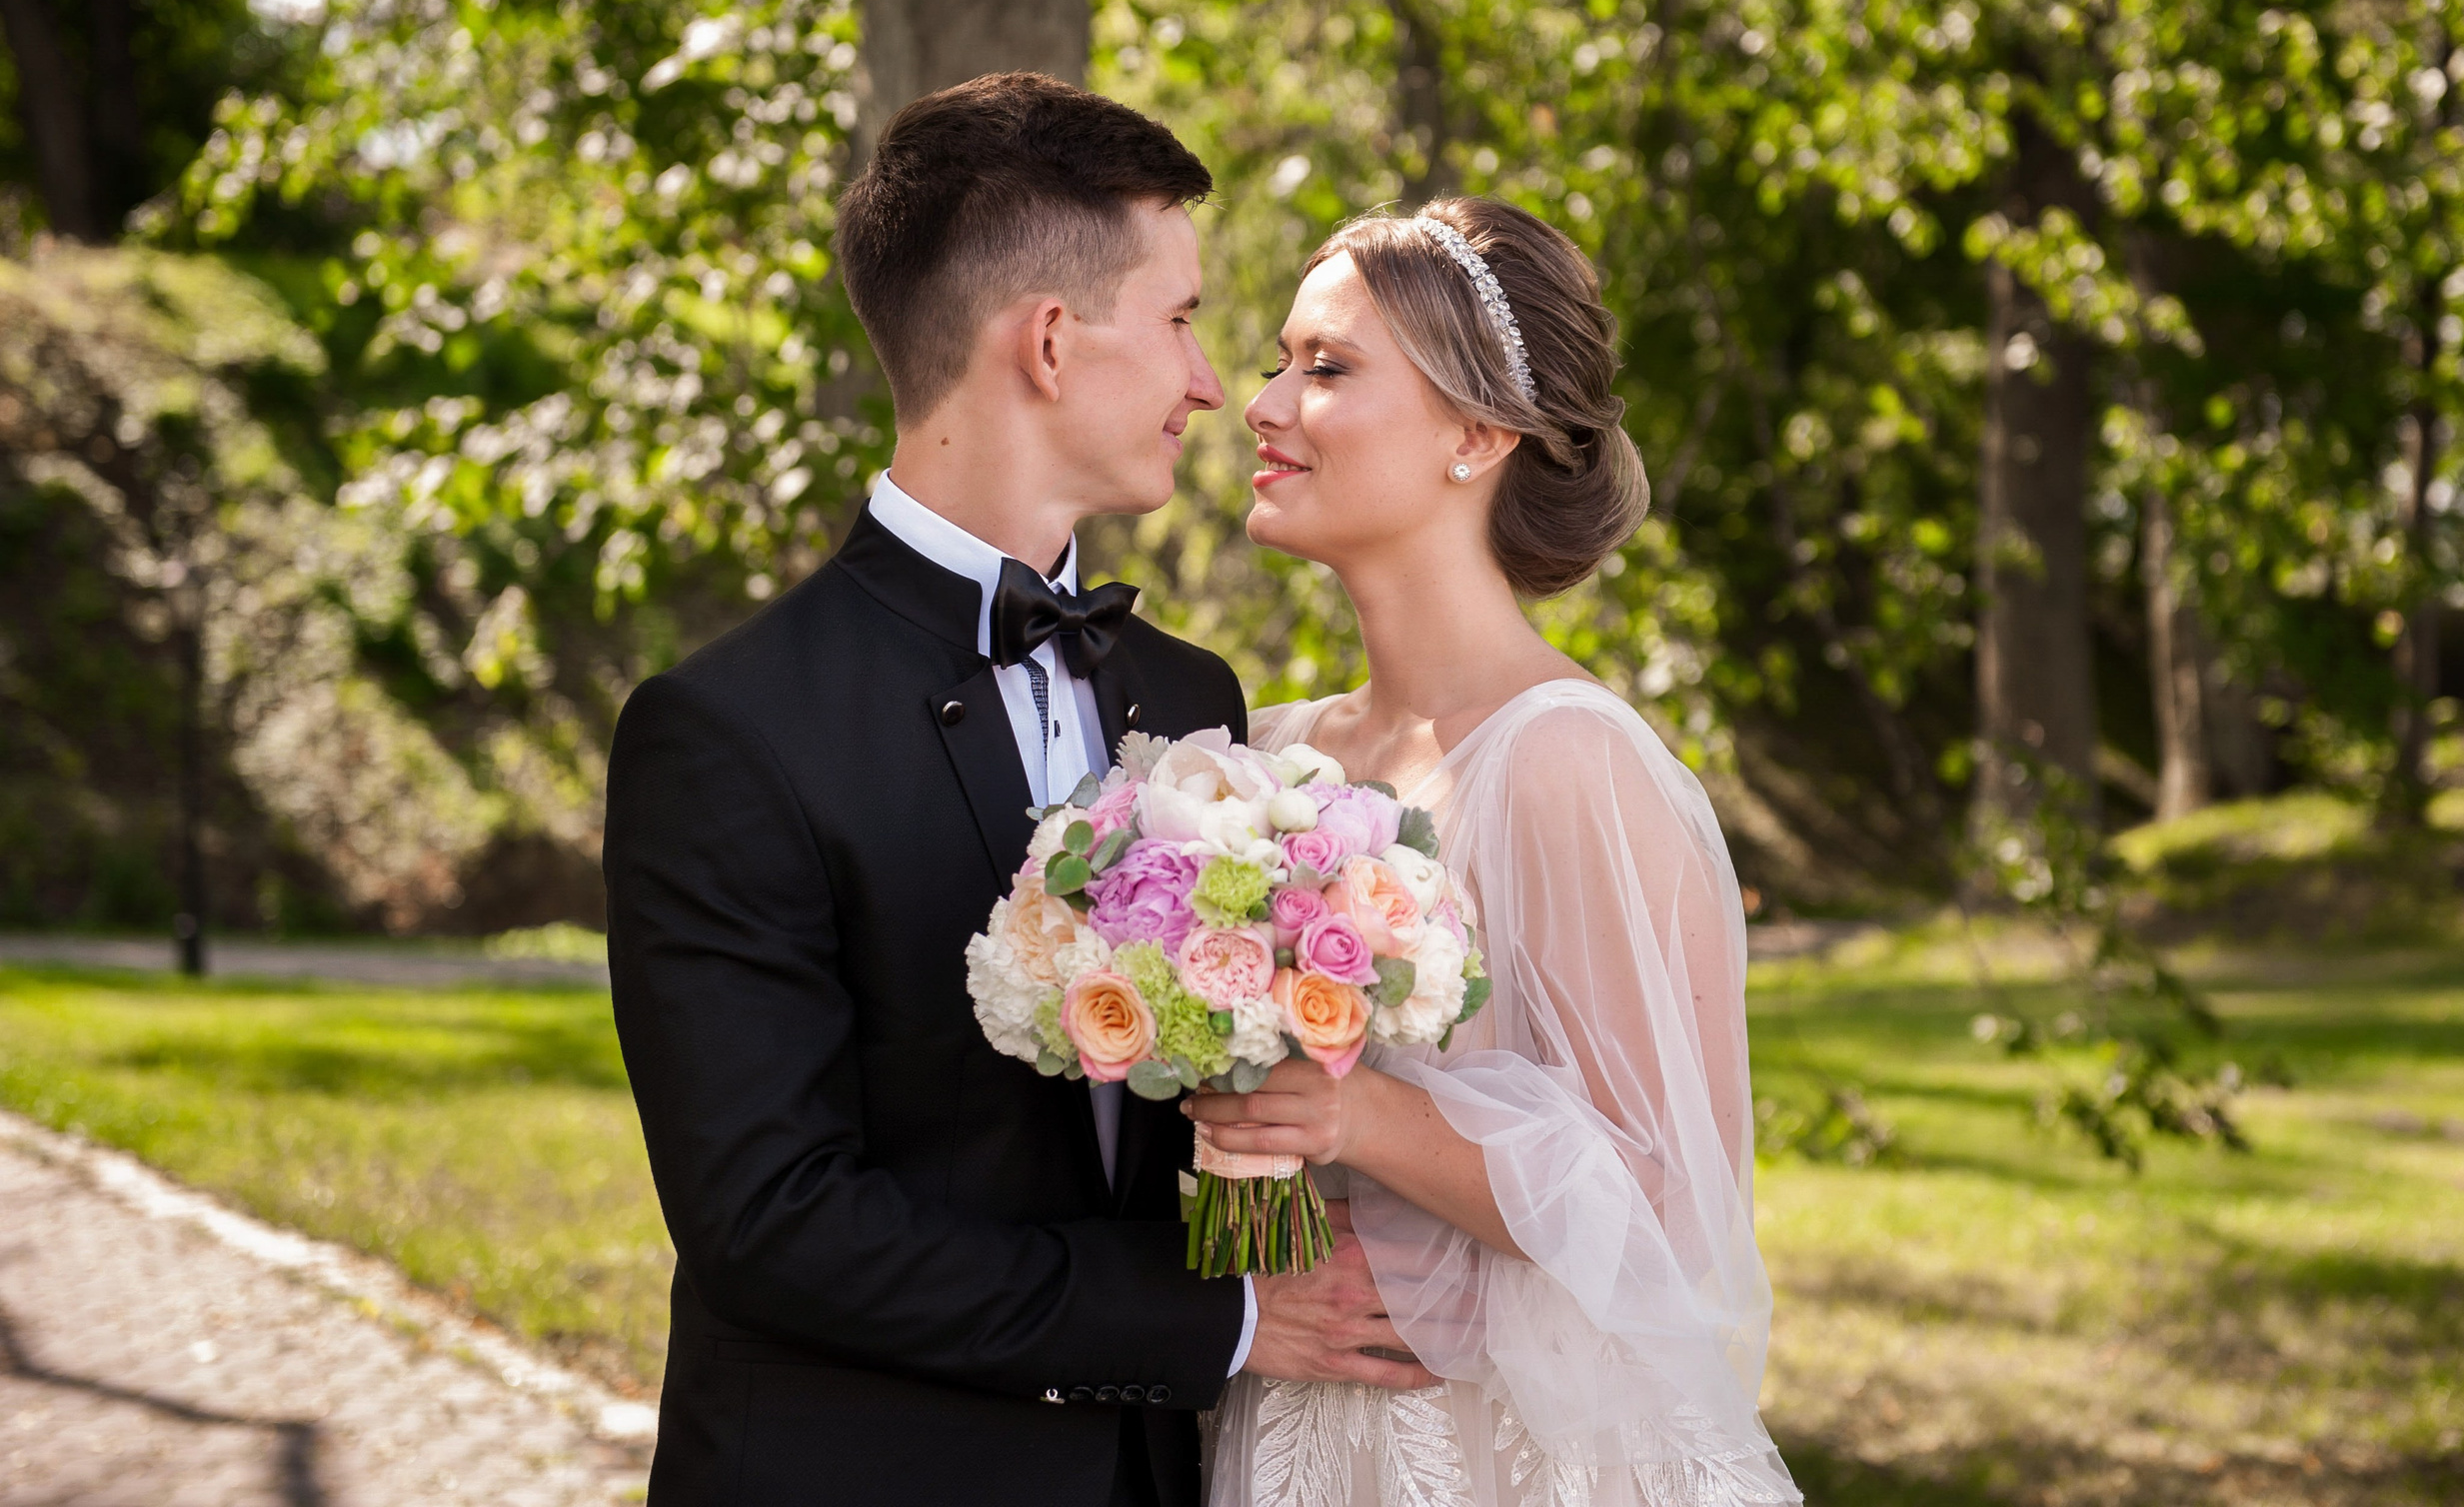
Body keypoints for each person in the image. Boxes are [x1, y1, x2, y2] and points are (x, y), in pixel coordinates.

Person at [603, 73, 1430, 1507]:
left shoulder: (1190, 700)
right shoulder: (726, 734)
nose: (1206, 381)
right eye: (1178, 319)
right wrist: (1215, 1322)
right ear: (1050, 342)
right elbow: (773, 1222)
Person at [1188, 197, 1801, 1506]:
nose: (1266, 404)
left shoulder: (1567, 759)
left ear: (1479, 434)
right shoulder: (1269, 757)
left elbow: (1666, 1207)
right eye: (1277, 360)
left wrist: (1360, 1114)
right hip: (1292, 1435)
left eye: (1329, 367)